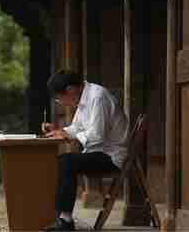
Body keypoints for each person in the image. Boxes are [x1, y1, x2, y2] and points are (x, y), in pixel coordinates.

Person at [41, 69, 130, 231]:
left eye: (59, 99)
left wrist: (68, 137)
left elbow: (97, 135)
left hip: (111, 156)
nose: (61, 103)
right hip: (99, 152)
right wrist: (60, 131)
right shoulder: (84, 97)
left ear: (70, 90)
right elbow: (78, 127)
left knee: (66, 162)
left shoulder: (97, 96)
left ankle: (65, 221)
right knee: (62, 161)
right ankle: (61, 218)